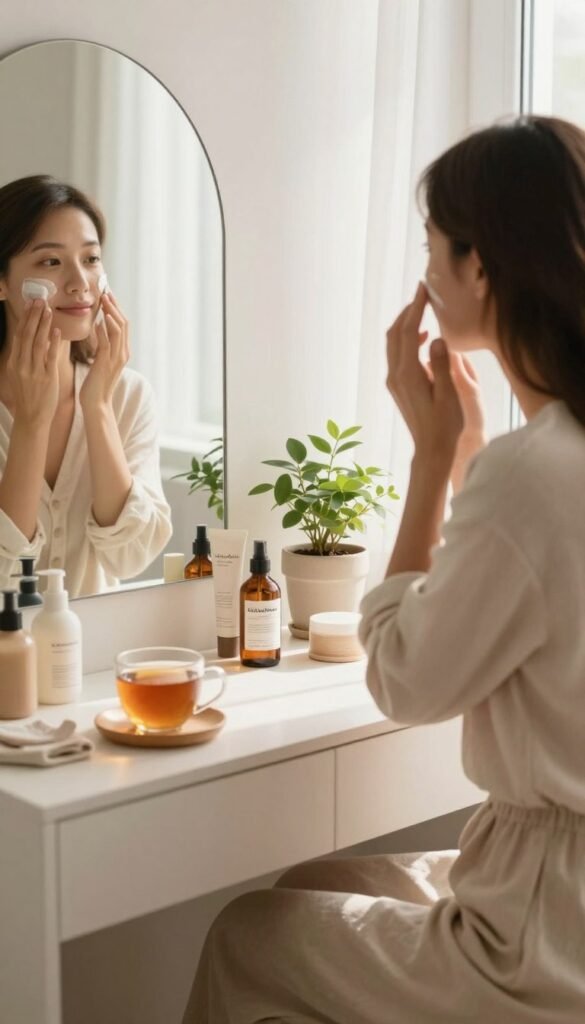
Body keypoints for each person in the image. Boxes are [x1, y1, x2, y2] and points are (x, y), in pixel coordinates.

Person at [182, 114, 585, 1022]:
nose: (424, 275)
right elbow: (522, 593)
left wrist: (431, 460)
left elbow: (403, 681)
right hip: (550, 885)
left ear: (479, 267)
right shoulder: (546, 456)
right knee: (316, 880)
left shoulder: (533, 472)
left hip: (539, 936)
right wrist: (474, 446)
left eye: (431, 247)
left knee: (247, 932)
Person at [0, 175, 172, 597]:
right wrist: (32, 423)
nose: (81, 283)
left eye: (91, 259)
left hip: (92, 658)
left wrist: (97, 407)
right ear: (2, 282)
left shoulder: (128, 396)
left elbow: (128, 557)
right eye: (51, 262)